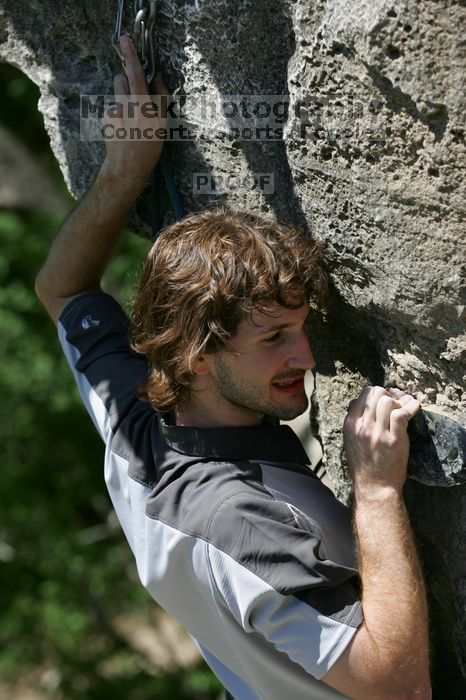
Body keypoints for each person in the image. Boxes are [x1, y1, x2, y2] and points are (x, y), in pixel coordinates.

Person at [35, 35, 431, 700]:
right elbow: (397, 684)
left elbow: (63, 290)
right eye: (273, 338)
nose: (304, 357)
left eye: (301, 329)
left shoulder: (137, 424)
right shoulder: (239, 522)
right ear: (193, 353)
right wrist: (379, 493)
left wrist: (124, 171)